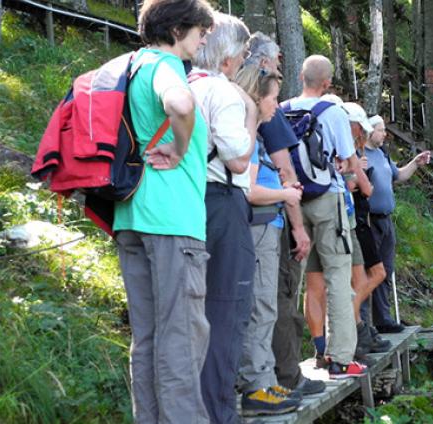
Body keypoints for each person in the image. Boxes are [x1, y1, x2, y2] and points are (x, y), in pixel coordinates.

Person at [112, 0, 214, 422]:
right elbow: (182, 106)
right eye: (199, 30)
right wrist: (181, 147)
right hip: (172, 220)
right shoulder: (165, 67)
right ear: (176, 31)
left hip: (132, 216)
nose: (204, 37)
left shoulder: (131, 66)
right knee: (182, 340)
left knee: (148, 339)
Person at [245, 32, 325, 396]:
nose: (279, 64)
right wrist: (298, 228)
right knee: (278, 301)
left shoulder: (246, 102)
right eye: (276, 58)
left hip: (255, 215)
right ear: (263, 61)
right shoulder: (263, 107)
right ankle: (285, 377)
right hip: (268, 218)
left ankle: (273, 377)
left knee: (270, 301)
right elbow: (286, 171)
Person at [189, 13, 255, 423]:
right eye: (244, 54)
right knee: (227, 311)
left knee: (190, 314)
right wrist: (250, 111)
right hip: (223, 203)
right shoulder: (223, 92)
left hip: (186, 203)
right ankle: (218, 412)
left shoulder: (181, 82)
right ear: (229, 59)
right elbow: (238, 160)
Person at [285, 55, 366, 378]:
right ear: (327, 83)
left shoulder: (283, 108)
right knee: (336, 277)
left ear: (301, 77)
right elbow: (348, 159)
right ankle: (340, 358)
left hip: (292, 199)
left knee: (293, 280)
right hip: (327, 199)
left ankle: (286, 360)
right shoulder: (332, 112)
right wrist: (348, 167)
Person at [233, 60, 303, 416]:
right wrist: (286, 195)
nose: (277, 106)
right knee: (261, 306)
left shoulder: (255, 134)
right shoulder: (247, 134)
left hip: (265, 225)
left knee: (267, 306)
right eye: (273, 98)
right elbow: (249, 190)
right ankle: (257, 386)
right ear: (257, 97)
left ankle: (265, 378)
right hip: (257, 225)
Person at [303, 101, 390, 362]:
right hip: (341, 216)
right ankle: (344, 343)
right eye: (358, 129)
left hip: (316, 210)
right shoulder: (339, 141)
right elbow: (363, 187)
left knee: (318, 285)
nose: (359, 134)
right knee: (346, 283)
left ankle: (330, 343)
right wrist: (356, 172)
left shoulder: (315, 137)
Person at [361, 115, 430, 334]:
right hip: (369, 220)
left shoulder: (382, 154)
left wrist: (416, 163)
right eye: (381, 130)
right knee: (368, 270)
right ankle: (363, 323)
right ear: (370, 131)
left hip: (386, 220)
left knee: (386, 270)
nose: (385, 134)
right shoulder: (360, 155)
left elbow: (398, 175)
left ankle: (383, 319)